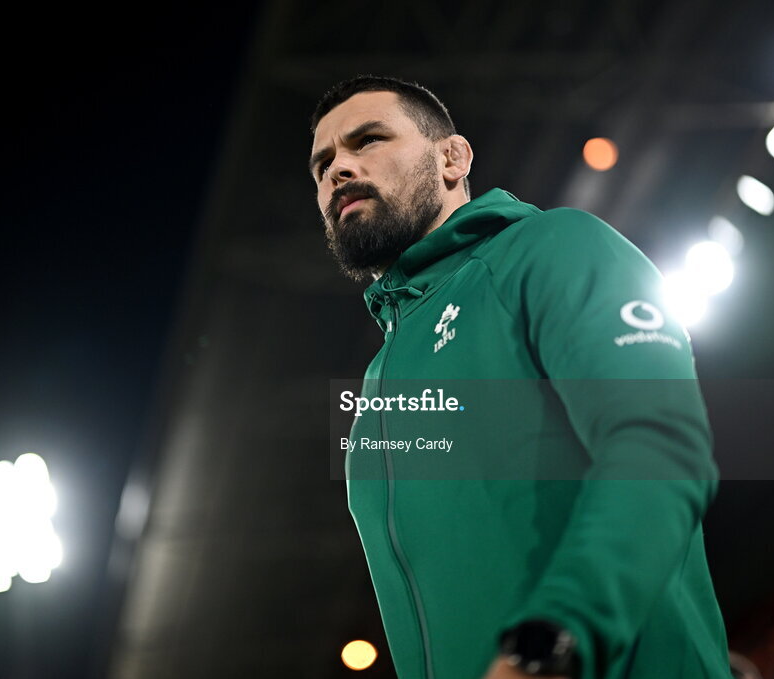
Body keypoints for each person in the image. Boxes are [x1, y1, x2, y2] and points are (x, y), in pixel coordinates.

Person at [309, 75, 731, 679]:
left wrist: (556, 638)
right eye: (322, 164)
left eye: (367, 140)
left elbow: (660, 445)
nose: (338, 170)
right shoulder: (376, 385)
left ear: (452, 158)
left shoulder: (554, 247)